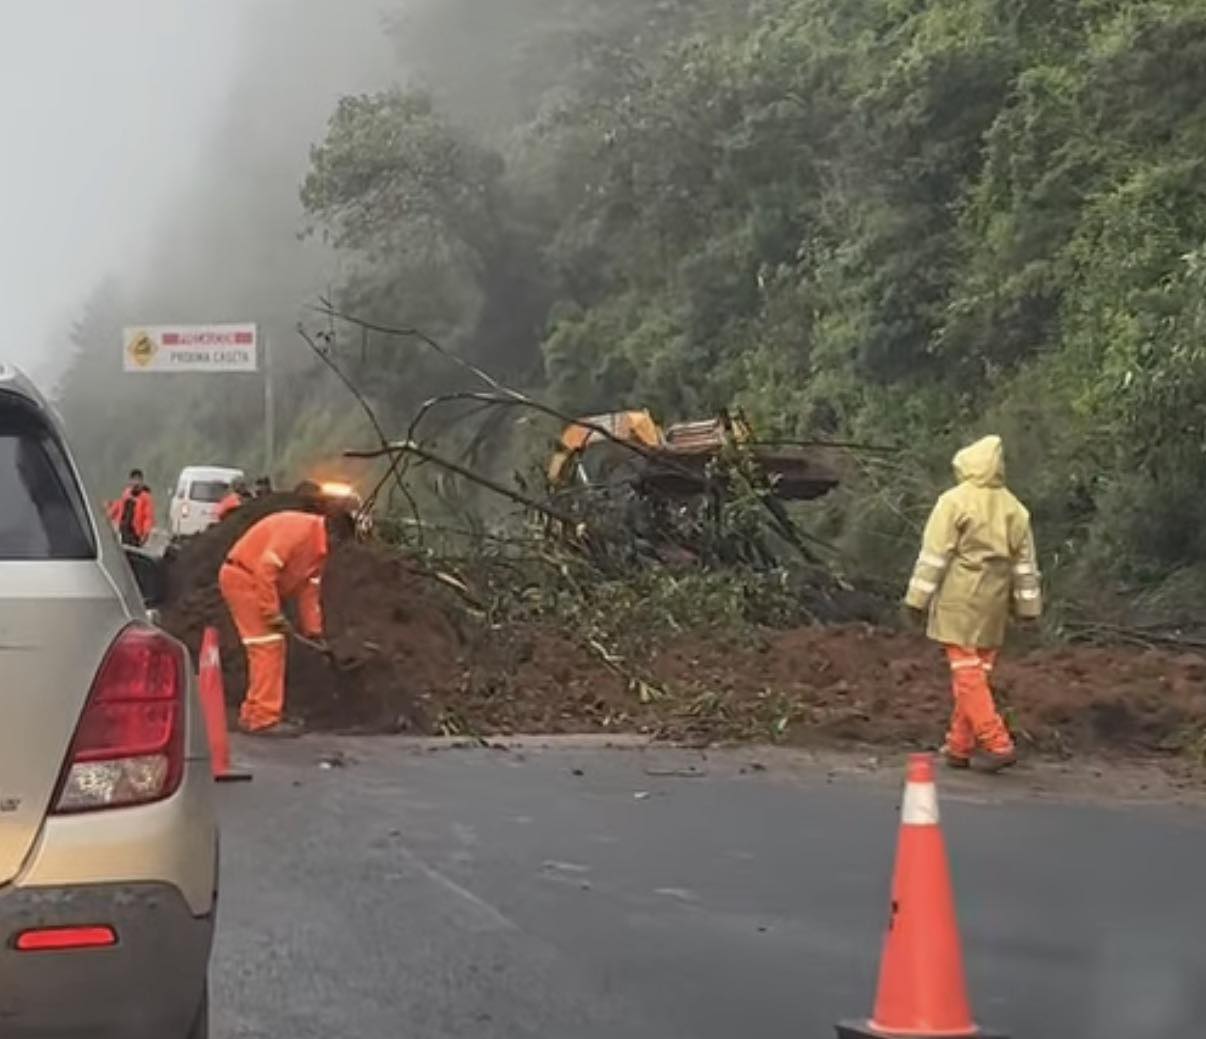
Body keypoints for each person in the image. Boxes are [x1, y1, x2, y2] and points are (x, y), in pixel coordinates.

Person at [903, 435, 1042, 772]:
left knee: (966, 674)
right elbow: (1025, 565)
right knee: (976, 674)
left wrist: (916, 599)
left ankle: (997, 742)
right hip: (994, 602)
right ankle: (958, 746)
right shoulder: (1015, 508)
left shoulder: (954, 502)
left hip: (960, 598)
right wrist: (1028, 608)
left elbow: (935, 555)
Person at [218, 491, 353, 737]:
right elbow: (266, 569)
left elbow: (309, 592)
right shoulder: (299, 532)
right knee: (268, 646)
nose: (338, 550)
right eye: (339, 544)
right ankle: (264, 720)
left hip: (253, 581)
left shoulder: (320, 551)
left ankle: (253, 713)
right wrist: (272, 613)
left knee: (267, 647)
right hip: (243, 578)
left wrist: (315, 633)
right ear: (332, 533)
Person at [106, 468, 156, 547]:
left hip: (135, 534)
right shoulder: (126, 494)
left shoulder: (146, 498)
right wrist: (107, 516)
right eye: (134, 480)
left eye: (138, 480)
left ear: (142, 482)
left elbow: (148, 517)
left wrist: (145, 534)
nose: (136, 483)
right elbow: (117, 506)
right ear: (130, 481)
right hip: (122, 531)